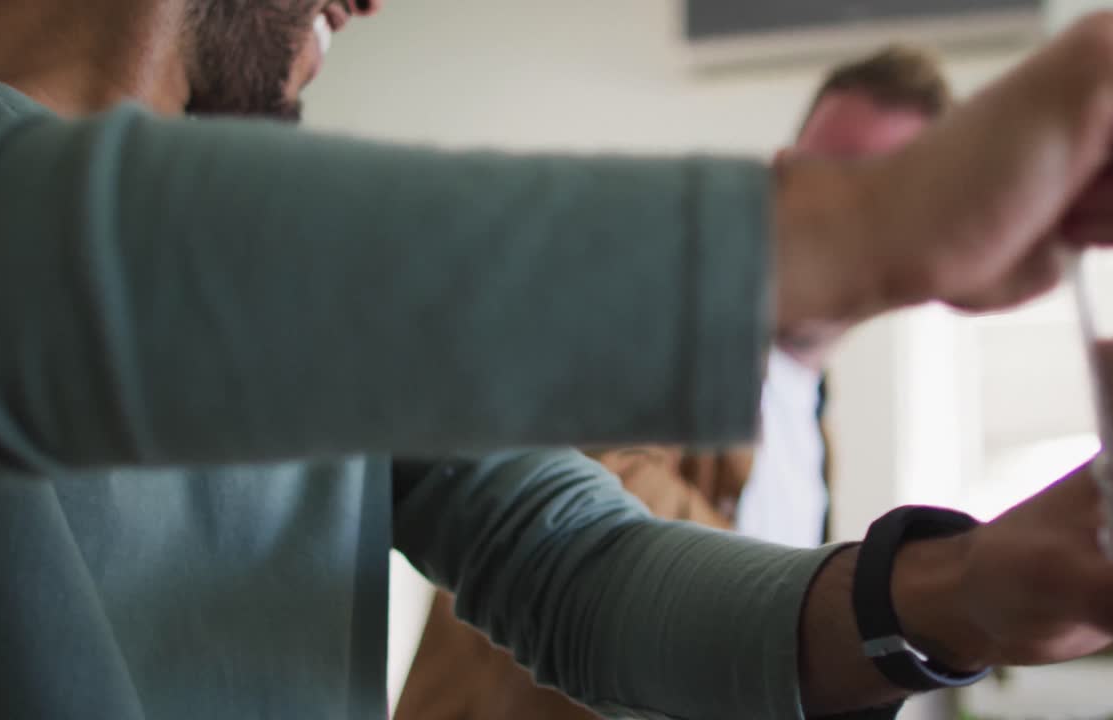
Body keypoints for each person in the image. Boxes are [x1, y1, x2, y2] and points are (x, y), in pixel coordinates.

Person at [0, 2, 1113, 720]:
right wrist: (864, 223)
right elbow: (57, 263)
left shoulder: (300, 272)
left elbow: (571, 566)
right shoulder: (105, 240)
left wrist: (959, 589)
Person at [395, 45, 952, 720]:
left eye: (884, 193)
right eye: (830, 175)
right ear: (782, 175)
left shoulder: (816, 423)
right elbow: (590, 503)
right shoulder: (666, 310)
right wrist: (873, 600)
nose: (845, 213)